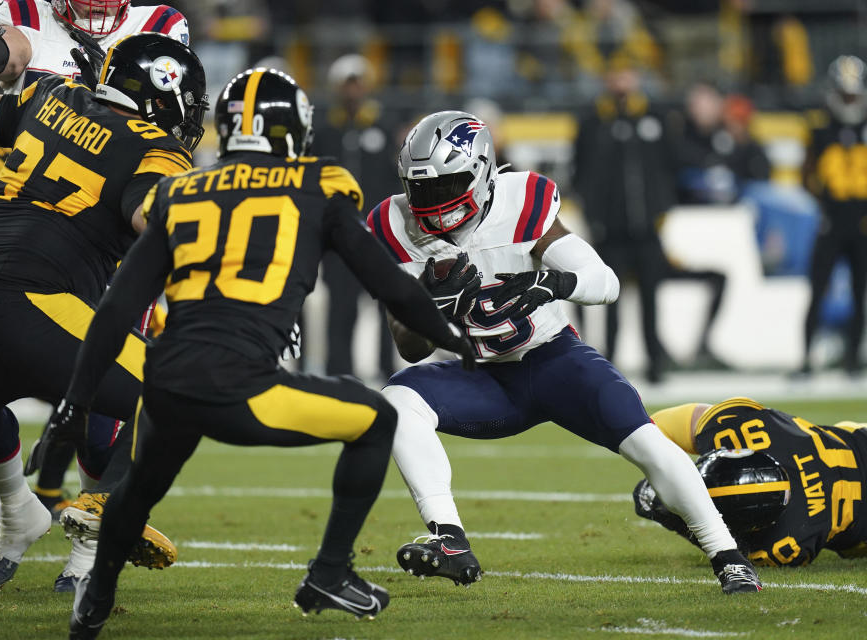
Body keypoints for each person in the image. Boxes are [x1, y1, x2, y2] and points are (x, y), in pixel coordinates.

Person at [34, 67, 475, 638]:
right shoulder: (320, 186)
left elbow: (117, 311)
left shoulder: (180, 191)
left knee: (139, 487)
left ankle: (95, 600)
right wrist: (455, 340)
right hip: (240, 386)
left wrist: (75, 400)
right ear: (293, 129)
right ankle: (329, 573)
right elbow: (390, 286)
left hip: (164, 384)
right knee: (376, 419)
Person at [367, 110, 762, 594]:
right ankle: (449, 540)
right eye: (419, 189)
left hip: (551, 361)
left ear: (482, 173)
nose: (430, 203)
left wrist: (550, 282)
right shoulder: (393, 225)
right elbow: (409, 349)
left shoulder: (521, 201)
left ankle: (729, 556)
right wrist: (428, 304)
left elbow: (607, 282)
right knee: (394, 404)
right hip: (476, 377)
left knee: (646, 441)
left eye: (445, 186)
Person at [0, 33, 205, 593]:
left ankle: (23, 512)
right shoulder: (157, 147)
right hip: (33, 300)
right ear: (167, 99)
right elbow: (152, 211)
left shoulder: (52, 98)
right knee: (181, 385)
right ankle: (109, 506)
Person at [635, 398, 867, 566]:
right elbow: (659, 423)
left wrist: (666, 510)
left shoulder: (787, 543)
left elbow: (725, 547)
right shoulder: (752, 430)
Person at [573, 63, 676, 382]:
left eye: (626, 73)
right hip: (611, 230)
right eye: (616, 74)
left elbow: (668, 167)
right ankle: (611, 362)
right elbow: (582, 174)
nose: (622, 80)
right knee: (610, 298)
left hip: (647, 229)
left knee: (651, 298)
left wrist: (661, 211)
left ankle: (655, 363)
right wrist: (594, 217)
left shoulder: (654, 118)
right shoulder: (593, 122)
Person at [311, 53, 399, 381]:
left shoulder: (383, 127)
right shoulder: (324, 132)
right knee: (341, 311)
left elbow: (394, 182)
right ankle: (339, 375)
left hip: (378, 237)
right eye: (348, 84)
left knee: (388, 308)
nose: (353, 91)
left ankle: (388, 373)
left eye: (358, 83)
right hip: (339, 239)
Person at [798, 55, 867, 377]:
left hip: (861, 224)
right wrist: (820, 206)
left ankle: (853, 360)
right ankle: (806, 359)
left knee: (859, 293)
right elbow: (806, 172)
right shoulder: (820, 126)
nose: (848, 99)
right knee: (817, 289)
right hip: (831, 223)